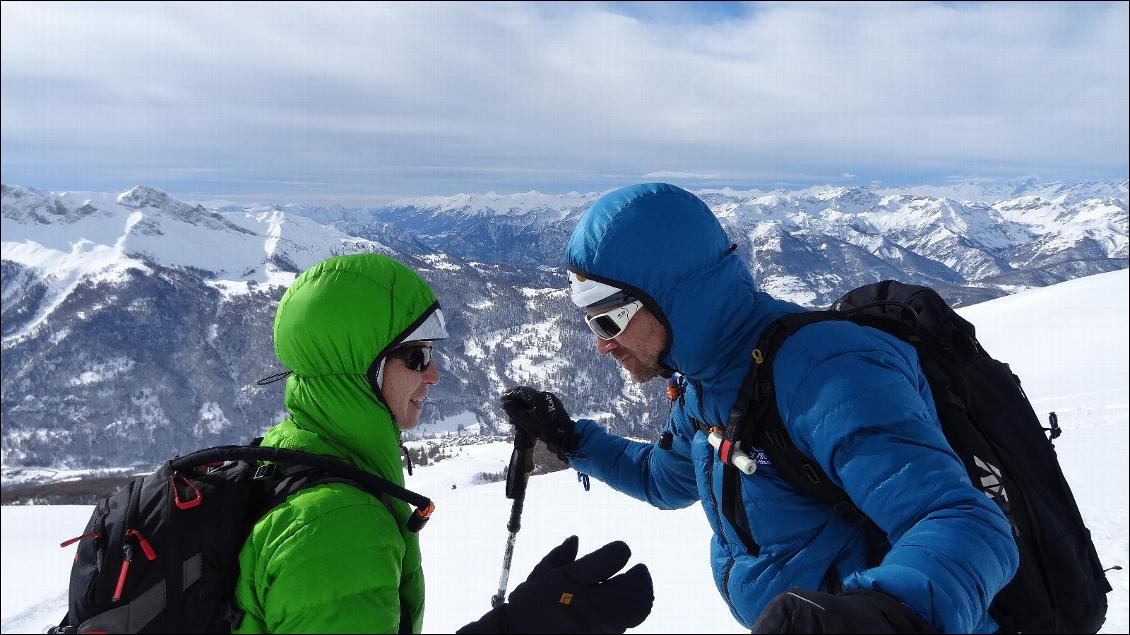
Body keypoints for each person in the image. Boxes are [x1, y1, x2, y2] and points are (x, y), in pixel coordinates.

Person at [502, 183, 1020, 634]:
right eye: (590, 323)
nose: (601, 344)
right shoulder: (708, 384)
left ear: (675, 298)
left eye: (608, 320)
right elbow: (664, 480)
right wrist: (571, 438)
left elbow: (962, 519)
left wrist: (887, 614)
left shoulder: (830, 372)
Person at [232, 253, 654, 633]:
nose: (433, 375)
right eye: (417, 356)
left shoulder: (290, 456)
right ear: (358, 368)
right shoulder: (335, 527)